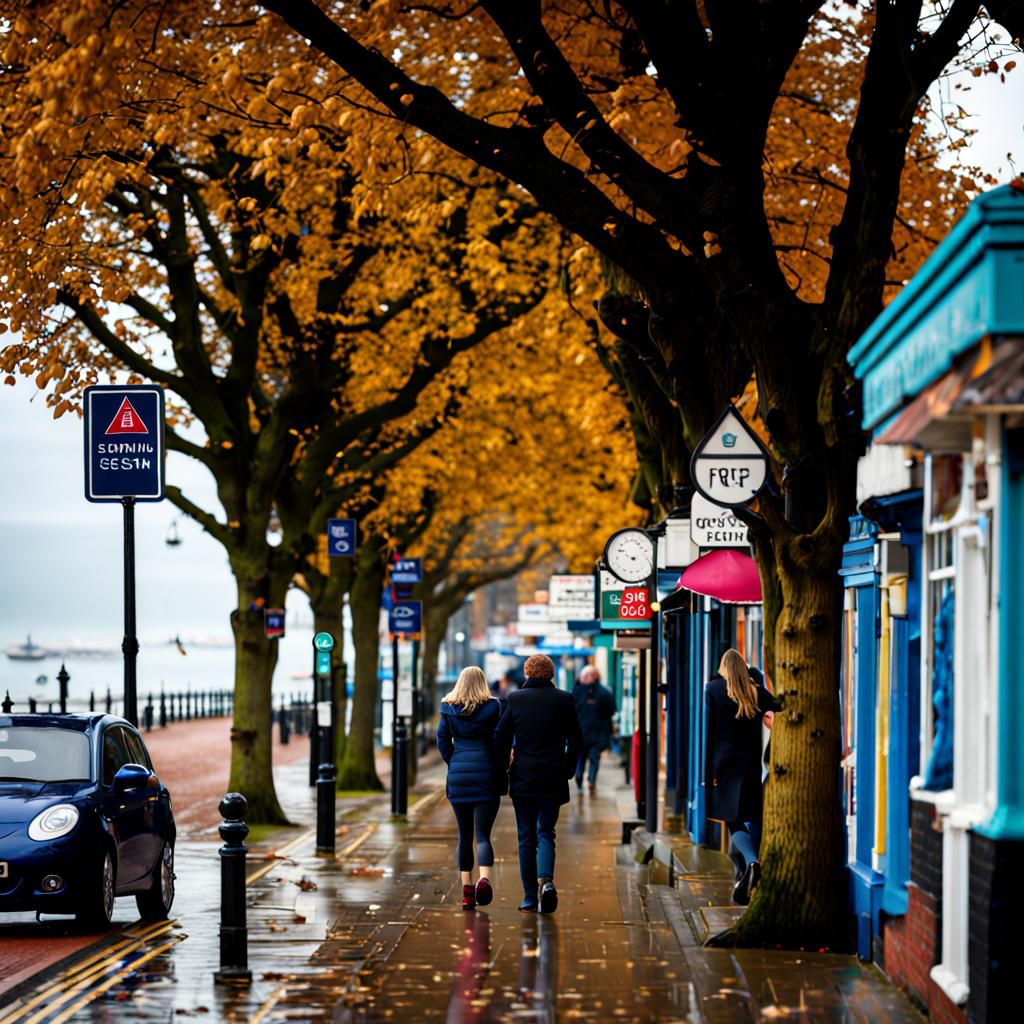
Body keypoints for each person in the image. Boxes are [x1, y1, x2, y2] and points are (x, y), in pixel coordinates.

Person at [494, 653, 583, 914]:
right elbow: (576, 739)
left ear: (527, 673)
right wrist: (567, 768)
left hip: (524, 777)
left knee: (526, 837)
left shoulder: (515, 699)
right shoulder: (564, 699)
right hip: (553, 777)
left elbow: (500, 738)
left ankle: (530, 897)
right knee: (546, 831)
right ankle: (547, 882)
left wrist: (502, 771)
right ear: (551, 673)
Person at [704, 648, 780, 906]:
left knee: (733, 819)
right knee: (753, 814)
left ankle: (751, 862)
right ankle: (753, 867)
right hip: (751, 765)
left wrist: (709, 772)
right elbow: (780, 708)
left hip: (724, 766)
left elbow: (709, 733)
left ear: (724, 668)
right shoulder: (756, 691)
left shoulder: (713, 690)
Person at [436, 666, 506, 911]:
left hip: (458, 776)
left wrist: (453, 761)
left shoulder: (448, 708)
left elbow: (442, 740)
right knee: (483, 834)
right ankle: (483, 879)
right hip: (486, 774)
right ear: (482, 682)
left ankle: (467, 890)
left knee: (464, 835)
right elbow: (500, 740)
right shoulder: (495, 707)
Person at [572, 665, 615, 793]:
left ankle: (588, 781)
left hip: (591, 733)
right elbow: (611, 710)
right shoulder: (579, 691)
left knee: (588, 758)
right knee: (585, 759)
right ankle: (584, 780)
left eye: (586, 675)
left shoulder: (600, 692)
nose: (583, 677)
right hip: (589, 733)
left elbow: (610, 711)